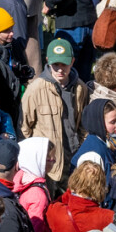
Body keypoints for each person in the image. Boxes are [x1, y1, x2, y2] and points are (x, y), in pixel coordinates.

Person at [21, 38, 88, 186]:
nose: (60, 69)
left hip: (72, 158)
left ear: (72, 61)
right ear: (47, 61)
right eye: (55, 65)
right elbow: (25, 128)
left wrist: (81, 147)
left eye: (64, 64)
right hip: (47, 164)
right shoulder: (35, 89)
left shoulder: (80, 88)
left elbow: (83, 123)